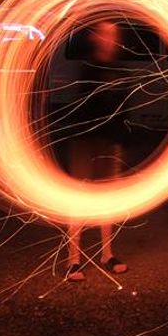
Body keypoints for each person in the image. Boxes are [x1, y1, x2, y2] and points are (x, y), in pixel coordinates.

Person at [65, 20, 130, 282]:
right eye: (105, 34)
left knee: (107, 201)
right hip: (85, 142)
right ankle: (73, 261)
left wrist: (123, 137)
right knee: (80, 199)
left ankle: (107, 255)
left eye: (112, 35)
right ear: (96, 39)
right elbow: (85, 107)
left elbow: (123, 108)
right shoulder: (87, 67)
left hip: (108, 142)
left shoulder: (119, 69)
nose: (109, 39)